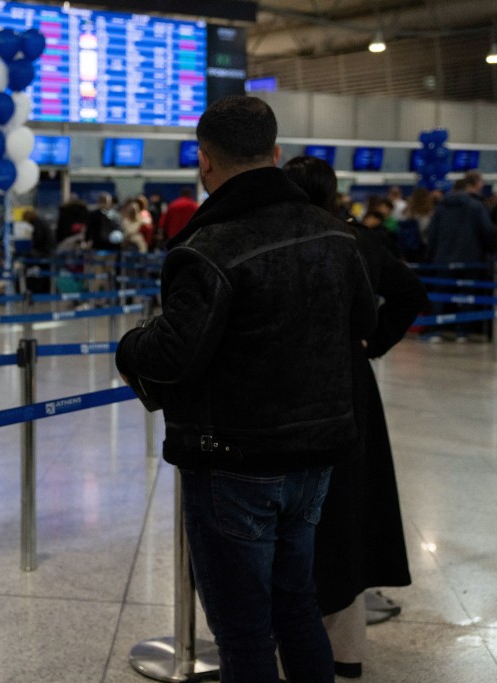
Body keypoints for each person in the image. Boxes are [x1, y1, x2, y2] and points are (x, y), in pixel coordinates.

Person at [115, 96, 377, 683]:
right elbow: (363, 325)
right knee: (296, 606)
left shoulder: (207, 248)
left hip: (234, 462)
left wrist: (129, 346)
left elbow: (173, 355)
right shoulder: (336, 236)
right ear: (276, 153)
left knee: (244, 631)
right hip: (315, 458)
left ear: (204, 161)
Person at [283, 155, 425, 678]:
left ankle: (292, 643)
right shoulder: (357, 239)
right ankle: (347, 653)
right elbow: (411, 292)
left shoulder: (288, 239)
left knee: (297, 513)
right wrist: (370, 344)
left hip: (293, 385)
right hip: (351, 384)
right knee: (348, 511)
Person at [425, 176, 497, 341]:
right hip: (471, 260)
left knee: (439, 294)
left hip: (443, 258)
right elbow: (487, 232)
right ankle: (462, 331)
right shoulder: (476, 206)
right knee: (467, 296)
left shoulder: (441, 206)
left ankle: (435, 329)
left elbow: (432, 234)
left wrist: (431, 256)